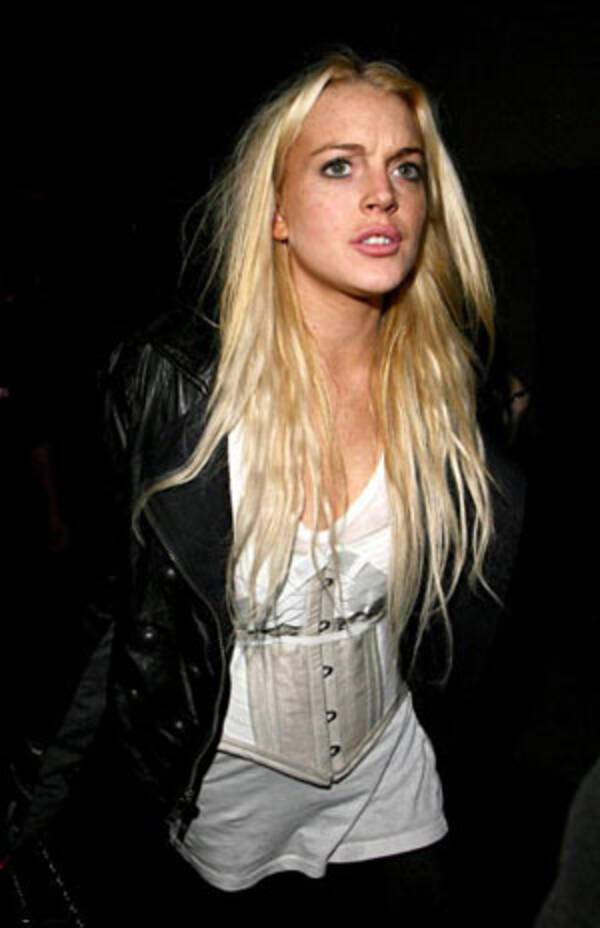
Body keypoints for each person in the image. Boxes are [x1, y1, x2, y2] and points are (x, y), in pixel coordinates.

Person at [7, 51, 524, 924]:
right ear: (277, 211)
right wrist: (30, 805)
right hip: (223, 817)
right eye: (339, 166)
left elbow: (464, 625)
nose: (383, 195)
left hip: (390, 789)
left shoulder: (447, 384)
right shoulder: (175, 383)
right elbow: (108, 613)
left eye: (406, 169)